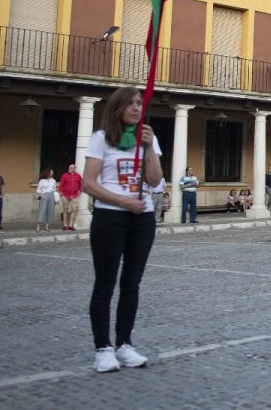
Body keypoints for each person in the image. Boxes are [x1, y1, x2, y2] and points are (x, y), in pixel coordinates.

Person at [83, 86, 163, 373]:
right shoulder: (101, 138)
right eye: (130, 103)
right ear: (118, 108)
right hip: (110, 217)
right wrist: (123, 201)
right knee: (105, 283)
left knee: (132, 283)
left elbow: (155, 180)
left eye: (139, 103)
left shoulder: (148, 139)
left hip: (143, 219)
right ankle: (103, 349)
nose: (136, 108)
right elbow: (88, 183)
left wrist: (149, 149)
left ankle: (125, 344)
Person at [60, 163, 83, 231]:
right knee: (65, 210)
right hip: (65, 195)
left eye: (72, 168)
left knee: (74, 210)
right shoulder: (64, 175)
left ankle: (71, 225)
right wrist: (61, 192)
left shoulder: (78, 176)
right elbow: (61, 184)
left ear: (74, 169)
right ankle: (65, 225)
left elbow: (81, 184)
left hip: (75, 195)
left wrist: (79, 191)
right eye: (69, 168)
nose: (70, 169)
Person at [35, 167, 57, 232]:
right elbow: (38, 190)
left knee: (50, 211)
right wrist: (42, 196)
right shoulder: (42, 181)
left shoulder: (53, 180)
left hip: (51, 195)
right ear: (47, 172)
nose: (52, 173)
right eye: (51, 172)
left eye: (52, 172)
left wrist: (55, 197)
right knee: (42, 210)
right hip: (44, 195)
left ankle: (47, 226)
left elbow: (54, 189)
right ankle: (38, 226)